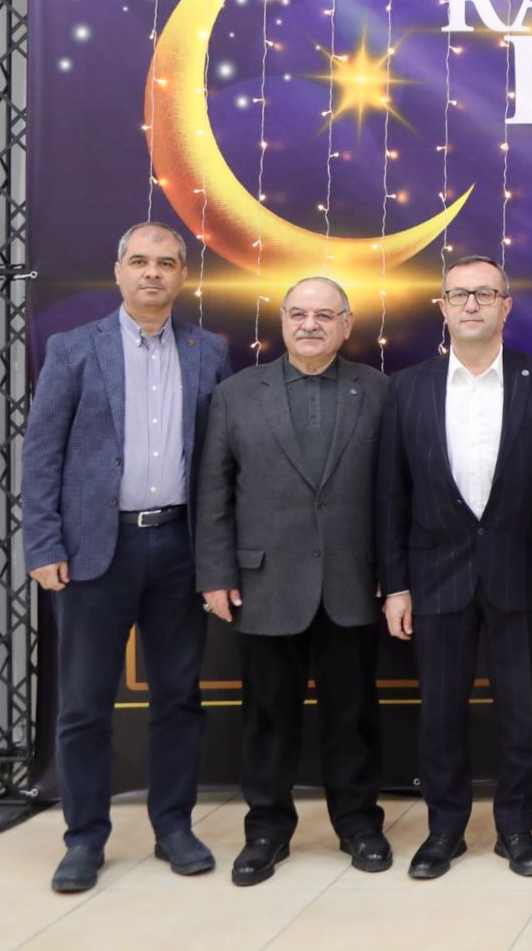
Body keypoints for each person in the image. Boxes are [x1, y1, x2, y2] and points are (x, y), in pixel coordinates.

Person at [21, 222, 232, 893]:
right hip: (93, 550)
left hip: (179, 547)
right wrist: (43, 542)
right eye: (139, 261)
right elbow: (41, 452)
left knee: (178, 697)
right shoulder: (73, 348)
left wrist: (219, 555)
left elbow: (220, 462)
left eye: (166, 263)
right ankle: (84, 838)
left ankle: (174, 827)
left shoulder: (209, 351)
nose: (152, 273)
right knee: (84, 704)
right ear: (118, 271)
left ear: (182, 275)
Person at [195, 276, 392, 886]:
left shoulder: (378, 390)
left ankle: (359, 825)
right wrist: (215, 574)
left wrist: (394, 575)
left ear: (346, 324)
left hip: (353, 582)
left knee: (352, 715)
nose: (310, 325)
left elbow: (396, 492)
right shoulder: (235, 394)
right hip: (263, 585)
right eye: (299, 314)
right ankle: (266, 831)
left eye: (324, 315)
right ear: (281, 321)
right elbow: (213, 493)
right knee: (267, 718)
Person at [376, 255, 532, 878]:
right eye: (459, 295)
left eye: (485, 294)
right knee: (439, 713)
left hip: (521, 573)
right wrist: (395, 585)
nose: (472, 304)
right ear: (444, 307)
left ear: (507, 305)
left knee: (522, 713)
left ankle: (517, 831)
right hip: (434, 576)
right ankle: (444, 831)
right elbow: (391, 496)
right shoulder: (407, 388)